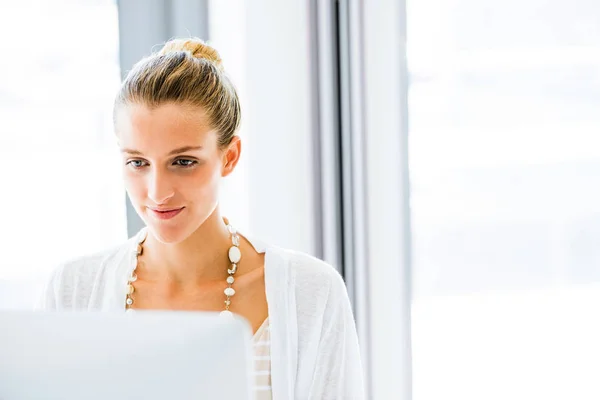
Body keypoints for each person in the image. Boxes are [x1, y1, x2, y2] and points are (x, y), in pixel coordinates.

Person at [39, 38, 364, 399]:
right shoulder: (73, 291)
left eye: (183, 162)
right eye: (137, 163)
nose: (157, 192)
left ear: (230, 156)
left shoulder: (310, 293)